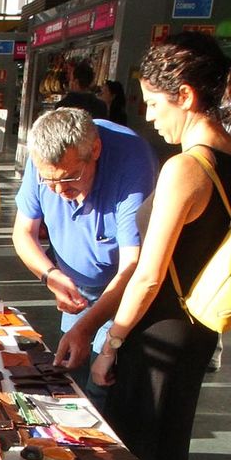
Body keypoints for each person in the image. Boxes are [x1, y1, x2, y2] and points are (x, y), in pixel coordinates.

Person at [86, 33, 231, 460]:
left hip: (159, 330)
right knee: (168, 445)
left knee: (137, 455)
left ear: (185, 96)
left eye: (155, 102)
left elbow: (148, 273)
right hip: (201, 325)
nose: (149, 114)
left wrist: (111, 343)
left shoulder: (186, 167)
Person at [14, 108, 155, 376]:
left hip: (124, 290)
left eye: (69, 177)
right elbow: (23, 233)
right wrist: (51, 276)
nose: (59, 191)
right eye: (49, 181)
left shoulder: (132, 163)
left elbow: (133, 267)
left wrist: (89, 328)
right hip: (77, 286)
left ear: (96, 150)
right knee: (70, 368)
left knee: (104, 378)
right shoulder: (41, 159)